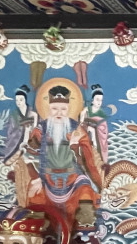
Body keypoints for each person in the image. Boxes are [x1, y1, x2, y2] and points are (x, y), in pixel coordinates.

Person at [26, 85, 103, 235]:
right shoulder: (41, 129)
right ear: (48, 108)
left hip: (73, 177)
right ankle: (41, 235)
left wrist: (75, 145)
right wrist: (36, 178)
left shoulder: (76, 128)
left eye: (63, 109)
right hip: (46, 177)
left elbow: (87, 155)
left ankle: (84, 234)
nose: (59, 113)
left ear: (69, 109)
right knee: (36, 197)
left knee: (85, 192)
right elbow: (29, 156)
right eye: (55, 108)